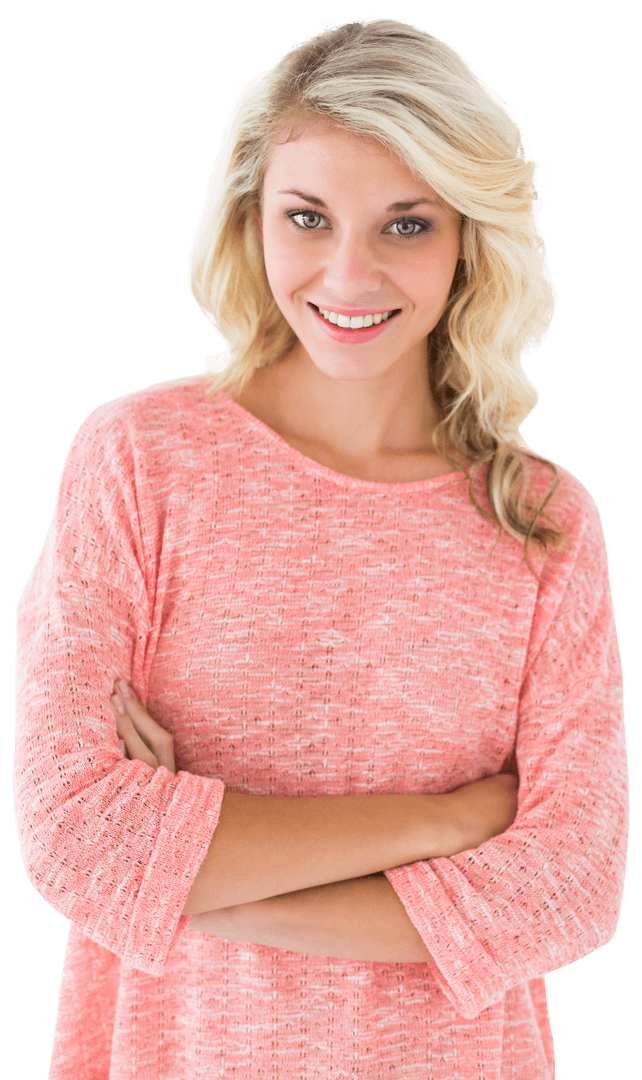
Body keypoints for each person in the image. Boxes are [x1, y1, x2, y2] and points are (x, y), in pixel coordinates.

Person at [13, 13, 628, 1080]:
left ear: (468, 237)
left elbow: (570, 888)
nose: (349, 275)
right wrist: (449, 821)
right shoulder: (141, 461)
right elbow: (78, 835)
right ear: (250, 221)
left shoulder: (541, 519)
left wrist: (199, 883)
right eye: (307, 218)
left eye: (406, 225)